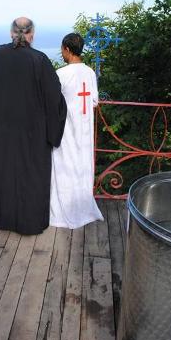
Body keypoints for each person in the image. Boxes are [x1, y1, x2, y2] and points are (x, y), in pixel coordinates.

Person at [0, 17, 67, 235]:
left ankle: (1, 216)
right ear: (32, 34)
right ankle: (28, 222)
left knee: (5, 171)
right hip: (31, 131)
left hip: (2, 128)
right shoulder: (38, 59)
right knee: (30, 175)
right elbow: (54, 98)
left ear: (11, 33)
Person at [50, 33, 103, 228]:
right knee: (82, 166)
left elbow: (52, 103)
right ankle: (82, 208)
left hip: (66, 129)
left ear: (67, 49)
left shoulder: (61, 74)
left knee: (64, 167)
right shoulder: (89, 72)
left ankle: (63, 210)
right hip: (85, 129)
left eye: (62, 49)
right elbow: (95, 101)